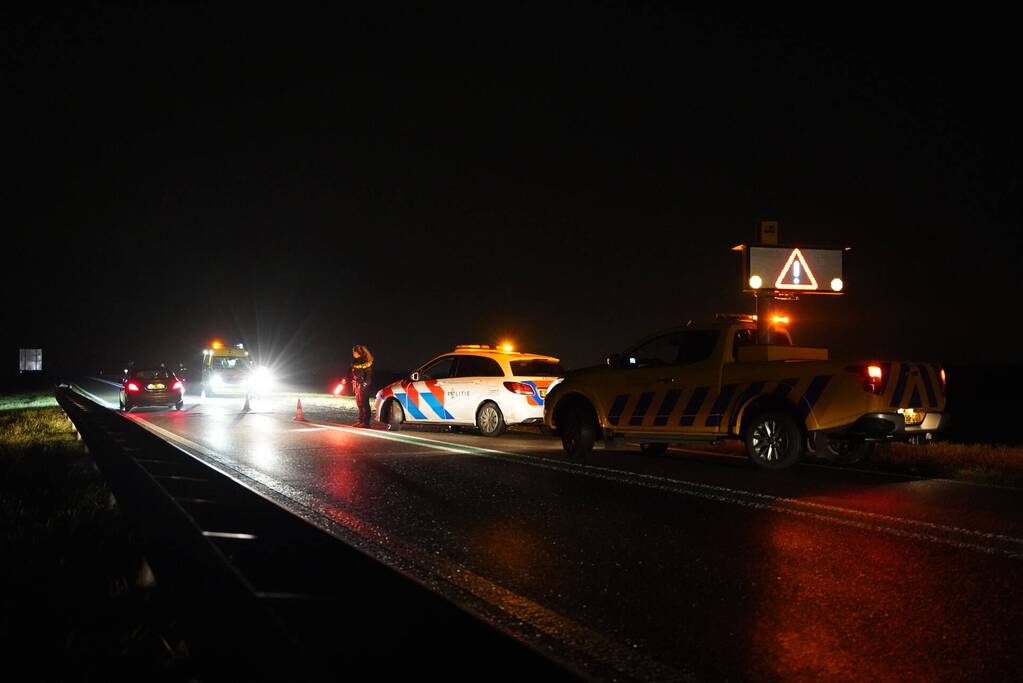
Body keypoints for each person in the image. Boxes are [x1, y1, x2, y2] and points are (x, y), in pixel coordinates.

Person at [348, 344, 374, 427]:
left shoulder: (366, 362)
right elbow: (350, 371)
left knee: (364, 403)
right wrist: (345, 378)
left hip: (364, 385)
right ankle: (360, 420)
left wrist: (365, 384)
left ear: (359, 353)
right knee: (359, 403)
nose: (354, 354)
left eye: (355, 352)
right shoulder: (354, 362)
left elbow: (369, 375)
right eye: (353, 352)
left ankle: (366, 423)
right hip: (356, 385)